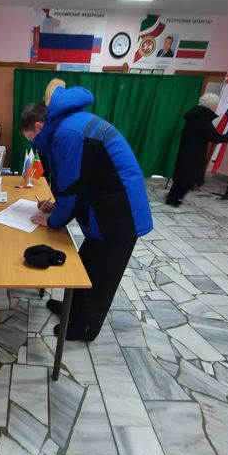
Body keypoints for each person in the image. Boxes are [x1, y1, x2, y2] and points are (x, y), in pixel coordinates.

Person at [20, 79, 153, 342]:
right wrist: (57, 207)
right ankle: (74, 310)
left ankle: (86, 328)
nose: (36, 146)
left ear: (39, 126)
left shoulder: (68, 133)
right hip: (106, 206)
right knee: (88, 264)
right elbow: (78, 181)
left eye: (33, 140)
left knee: (103, 275)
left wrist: (54, 220)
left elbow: (72, 189)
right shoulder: (70, 124)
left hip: (120, 214)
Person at [166, 93, 228, 206]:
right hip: (193, 153)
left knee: (185, 176)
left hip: (189, 150)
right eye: (216, 105)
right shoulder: (202, 119)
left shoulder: (196, 115)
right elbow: (215, 138)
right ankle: (172, 198)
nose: (216, 107)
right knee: (187, 177)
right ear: (212, 105)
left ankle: (174, 197)